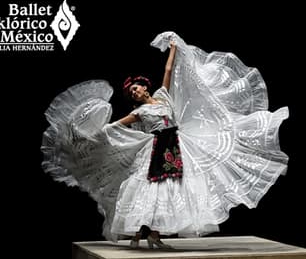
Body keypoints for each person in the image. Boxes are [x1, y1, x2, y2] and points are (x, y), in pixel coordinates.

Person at [41, 32, 289, 249]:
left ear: (144, 87)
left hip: (177, 145)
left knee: (172, 189)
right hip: (157, 148)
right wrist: (89, 131)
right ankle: (143, 231)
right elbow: (112, 127)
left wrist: (173, 47)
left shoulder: (162, 97)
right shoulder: (138, 113)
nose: (135, 92)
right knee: (151, 189)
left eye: (136, 88)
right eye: (132, 93)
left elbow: (168, 71)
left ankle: (152, 233)